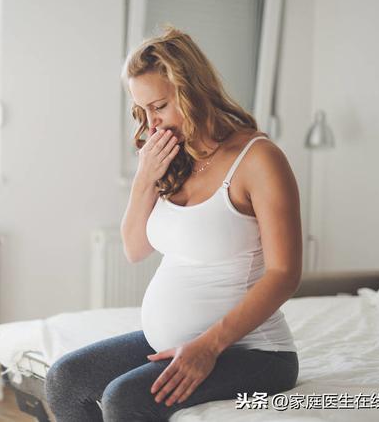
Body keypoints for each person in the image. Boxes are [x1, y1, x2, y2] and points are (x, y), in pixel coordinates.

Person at [44, 26, 301, 421]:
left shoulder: (259, 159)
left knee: (125, 400)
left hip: (252, 352)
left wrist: (208, 346)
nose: (152, 123)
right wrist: (144, 177)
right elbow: (134, 249)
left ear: (193, 91)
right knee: (66, 379)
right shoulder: (172, 156)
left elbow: (285, 274)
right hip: (175, 342)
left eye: (160, 106)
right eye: (142, 110)